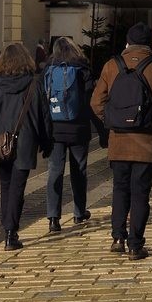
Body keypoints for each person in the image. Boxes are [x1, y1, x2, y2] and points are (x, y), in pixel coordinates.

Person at [90, 22, 152, 260]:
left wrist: (112, 122)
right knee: (140, 194)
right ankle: (135, 244)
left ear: (127, 43)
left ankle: (117, 237)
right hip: (146, 142)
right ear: (149, 44)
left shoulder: (112, 65)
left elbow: (96, 102)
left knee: (120, 190)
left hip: (119, 142)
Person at [0, 42, 46, 251]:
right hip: (24, 143)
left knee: (5, 186)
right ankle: (10, 231)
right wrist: (45, 142)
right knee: (17, 188)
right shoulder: (34, 84)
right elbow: (41, 117)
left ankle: (7, 227)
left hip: (0, 143)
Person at [41, 36, 100, 232]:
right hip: (78, 128)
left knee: (55, 171)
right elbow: (92, 101)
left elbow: (43, 101)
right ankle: (79, 212)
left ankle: (53, 217)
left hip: (55, 129)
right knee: (79, 170)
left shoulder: (48, 71)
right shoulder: (83, 69)